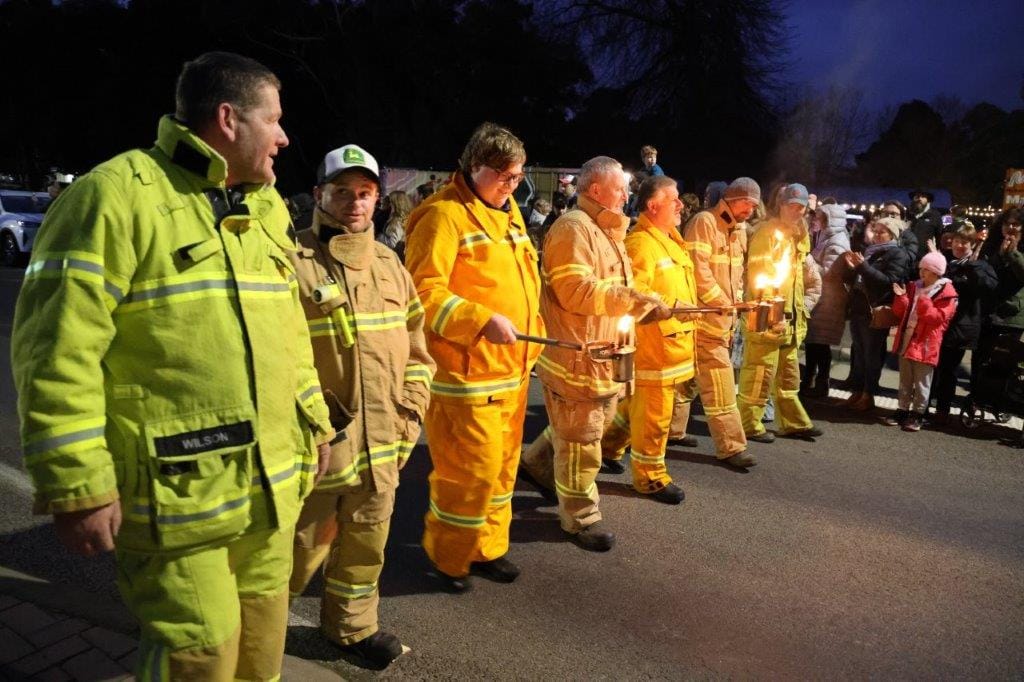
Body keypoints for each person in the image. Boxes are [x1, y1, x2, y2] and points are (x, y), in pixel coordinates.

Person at [11, 52, 335, 680]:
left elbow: (288, 327)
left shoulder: (267, 207)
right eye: (275, 120)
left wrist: (313, 416)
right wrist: (79, 486)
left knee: (263, 644)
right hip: (178, 499)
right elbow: (55, 352)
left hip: (270, 493)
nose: (285, 137)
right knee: (201, 654)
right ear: (228, 119)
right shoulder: (112, 197)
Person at [287, 145, 434, 667]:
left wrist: (411, 414)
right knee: (295, 556)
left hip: (385, 443)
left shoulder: (391, 265)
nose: (355, 203)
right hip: (321, 450)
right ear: (320, 195)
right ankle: (246, 638)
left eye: (366, 193)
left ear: (378, 200)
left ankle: (349, 629)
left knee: (367, 546)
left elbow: (418, 351)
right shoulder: (292, 262)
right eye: (343, 192)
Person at [404, 122, 544, 593]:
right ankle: (449, 557)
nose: (512, 185)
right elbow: (422, 294)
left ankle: (486, 548)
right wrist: (479, 319)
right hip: (467, 378)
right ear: (474, 166)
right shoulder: (442, 217)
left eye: (518, 176)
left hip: (512, 372)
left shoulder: (508, 215)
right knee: (469, 476)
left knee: (502, 471)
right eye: (503, 175)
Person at [519, 156, 669, 550]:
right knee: (581, 438)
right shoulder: (573, 229)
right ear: (596, 189)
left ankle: (535, 466)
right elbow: (576, 292)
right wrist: (635, 301)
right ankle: (580, 517)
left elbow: (614, 292)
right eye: (620, 188)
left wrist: (644, 309)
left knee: (581, 429)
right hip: (577, 359)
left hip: (602, 356)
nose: (627, 194)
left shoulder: (607, 231)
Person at [600, 175, 697, 504]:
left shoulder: (670, 240)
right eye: (674, 199)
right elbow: (635, 295)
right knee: (654, 416)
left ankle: (607, 447)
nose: (680, 204)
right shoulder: (641, 244)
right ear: (653, 205)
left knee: (631, 409)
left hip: (672, 346)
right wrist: (671, 308)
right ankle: (650, 477)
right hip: (655, 349)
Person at [682, 177, 761, 467]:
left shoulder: (738, 231)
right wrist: (721, 302)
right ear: (731, 199)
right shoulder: (705, 223)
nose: (750, 211)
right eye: (747, 204)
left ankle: (671, 432)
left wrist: (735, 304)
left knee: (685, 383)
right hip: (704, 319)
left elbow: (736, 277)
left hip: (720, 320)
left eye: (754, 206)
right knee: (721, 383)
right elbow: (697, 270)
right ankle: (731, 447)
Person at [738, 183, 821, 442]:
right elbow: (758, 278)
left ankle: (793, 422)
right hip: (769, 318)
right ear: (781, 206)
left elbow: (797, 281)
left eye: (801, 207)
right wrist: (771, 316)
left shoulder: (796, 235)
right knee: (759, 373)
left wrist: (796, 313)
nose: (797, 211)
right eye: (792, 206)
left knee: (787, 376)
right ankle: (748, 424)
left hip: (789, 319)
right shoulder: (768, 233)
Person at [929, 224, 996, 424]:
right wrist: (935, 261)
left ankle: (942, 410)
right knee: (932, 366)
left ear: (973, 244)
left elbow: (987, 287)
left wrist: (972, 265)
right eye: (957, 240)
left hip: (960, 325)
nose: (959, 245)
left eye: (964, 242)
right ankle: (923, 408)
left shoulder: (979, 264)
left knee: (948, 369)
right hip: (938, 322)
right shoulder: (946, 261)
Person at [843, 217, 912, 411]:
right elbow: (859, 277)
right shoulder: (871, 251)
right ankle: (856, 392)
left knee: (872, 354)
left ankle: (868, 394)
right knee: (859, 353)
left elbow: (890, 281)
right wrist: (852, 269)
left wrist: (862, 267)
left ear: (893, 235)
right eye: (876, 230)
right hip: (858, 307)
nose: (876, 234)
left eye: (882, 231)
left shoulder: (897, 254)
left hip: (875, 309)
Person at [884, 252, 957, 431]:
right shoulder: (914, 286)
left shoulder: (947, 293)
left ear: (935, 272)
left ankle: (918, 414)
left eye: (925, 269)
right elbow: (901, 312)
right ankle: (902, 410)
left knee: (922, 382)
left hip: (926, 344)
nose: (921, 272)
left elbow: (937, 318)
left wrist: (923, 301)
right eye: (921, 269)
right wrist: (901, 298)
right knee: (905, 380)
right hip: (907, 339)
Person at [802, 203, 852, 397]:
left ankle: (821, 383)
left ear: (830, 220)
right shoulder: (827, 237)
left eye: (820, 217)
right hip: (821, 297)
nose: (816, 220)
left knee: (820, 343)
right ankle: (810, 380)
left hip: (829, 300)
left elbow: (831, 274)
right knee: (814, 342)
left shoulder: (837, 241)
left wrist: (808, 261)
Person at [906, 189, 942, 264]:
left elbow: (939, 237)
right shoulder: (907, 214)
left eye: (923, 196)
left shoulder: (935, 215)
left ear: (928, 200)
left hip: (924, 259)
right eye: (917, 196)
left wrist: (936, 253)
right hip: (906, 257)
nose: (919, 199)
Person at [377, 189, 412, 258]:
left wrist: (379, 236)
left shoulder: (397, 222)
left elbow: (393, 243)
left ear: (396, 204)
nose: (389, 205)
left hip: (392, 256)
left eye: (391, 202)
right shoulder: (407, 218)